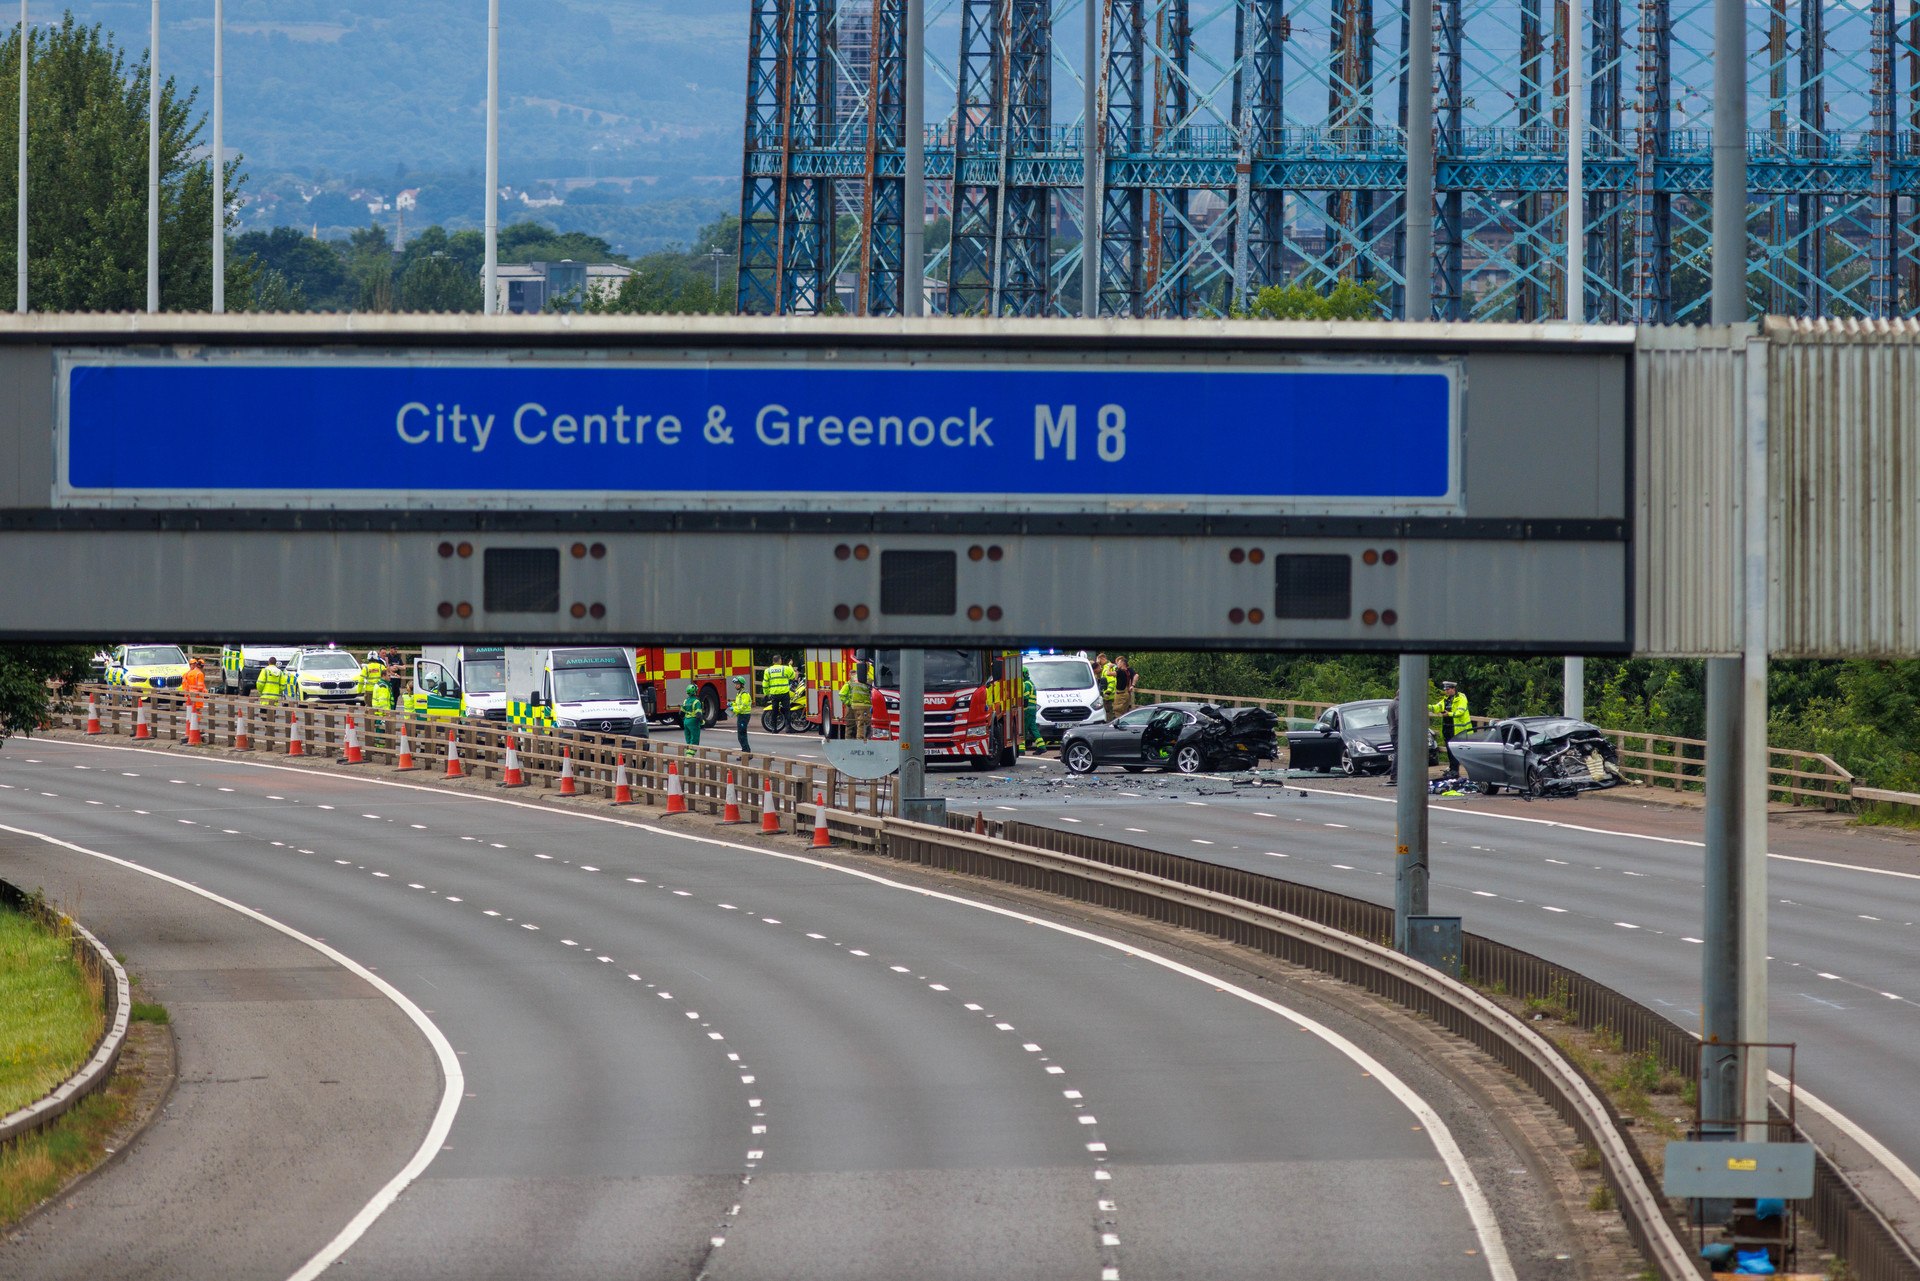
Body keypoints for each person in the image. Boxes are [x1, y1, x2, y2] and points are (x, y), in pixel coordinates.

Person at [1429, 679, 1473, 775]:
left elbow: (1460, 712)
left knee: (1455, 750)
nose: (1446, 691)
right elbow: (1436, 707)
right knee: (1449, 750)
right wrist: (1425, 706)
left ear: (1453, 689)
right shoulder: (1446, 699)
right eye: (1445, 690)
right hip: (1447, 728)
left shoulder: (1461, 698)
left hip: (1457, 729)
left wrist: (1448, 714)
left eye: (1448, 689)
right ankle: (1452, 769)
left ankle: (1455, 771)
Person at [840, 665, 871, 741]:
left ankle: (849, 741)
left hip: (853, 705)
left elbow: (842, 693)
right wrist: (848, 702)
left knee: (853, 724)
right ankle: (860, 741)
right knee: (861, 724)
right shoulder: (869, 679)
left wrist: (849, 702)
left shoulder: (852, 680)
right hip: (863, 705)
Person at [763, 659, 793, 729]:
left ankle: (774, 728)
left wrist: (766, 694)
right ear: (780, 661)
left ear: (773, 661)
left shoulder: (768, 670)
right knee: (787, 710)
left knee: (775, 711)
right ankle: (788, 728)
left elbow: (765, 684)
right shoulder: (785, 668)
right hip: (784, 693)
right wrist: (790, 665)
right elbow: (792, 675)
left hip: (774, 694)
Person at [730, 676, 753, 752]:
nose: (735, 685)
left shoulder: (744, 694)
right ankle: (745, 751)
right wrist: (731, 704)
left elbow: (743, 706)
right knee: (740, 735)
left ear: (741, 684)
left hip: (744, 716)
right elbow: (738, 704)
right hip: (741, 715)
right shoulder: (739, 694)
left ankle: (746, 752)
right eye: (735, 684)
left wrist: (733, 709)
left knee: (742, 735)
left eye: (737, 684)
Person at [681, 683, 704, 755]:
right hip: (693, 721)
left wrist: (685, 720)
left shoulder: (685, 701)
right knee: (694, 739)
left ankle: (688, 753)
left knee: (688, 738)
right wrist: (702, 721)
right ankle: (690, 756)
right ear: (695, 692)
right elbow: (698, 714)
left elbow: (681, 713)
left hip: (686, 721)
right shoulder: (696, 701)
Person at [1021, 665, 1040, 752]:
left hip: (1028, 710)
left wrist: (1024, 707)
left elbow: (1025, 696)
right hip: (1032, 709)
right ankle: (1042, 747)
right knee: (1033, 728)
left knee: (1023, 729)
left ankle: (1021, 750)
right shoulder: (1031, 682)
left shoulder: (1026, 684)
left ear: (1024, 674)